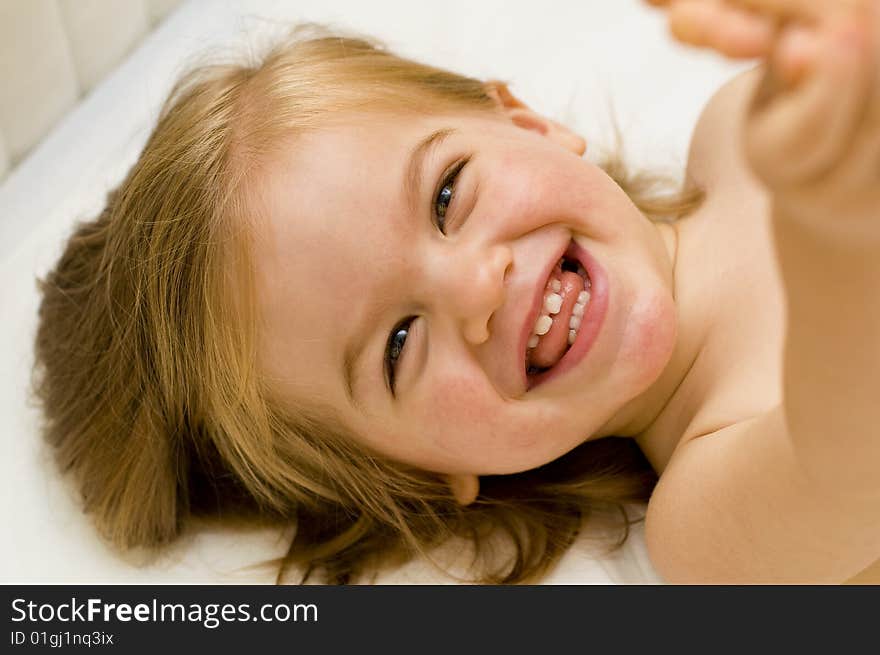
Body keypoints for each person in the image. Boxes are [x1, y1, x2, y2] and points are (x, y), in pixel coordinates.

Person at [32, 0, 880, 584]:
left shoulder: (741, 126)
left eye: (447, 195)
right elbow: (849, 455)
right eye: (399, 345)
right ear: (428, 474)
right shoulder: (707, 520)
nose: (477, 287)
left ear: (527, 121)